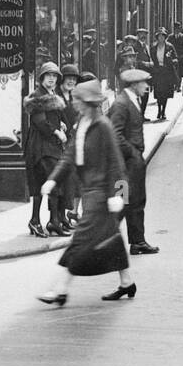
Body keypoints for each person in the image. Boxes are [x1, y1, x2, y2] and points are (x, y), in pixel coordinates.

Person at [37, 79, 134, 306]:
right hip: (89, 189)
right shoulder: (82, 124)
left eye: (77, 100)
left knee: (80, 238)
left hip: (102, 193)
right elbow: (70, 155)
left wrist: (118, 195)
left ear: (88, 103)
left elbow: (116, 162)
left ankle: (61, 289)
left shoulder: (103, 126)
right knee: (111, 236)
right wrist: (52, 180)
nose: (74, 104)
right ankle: (127, 282)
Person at [108, 69, 158, 254]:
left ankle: (137, 242)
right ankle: (102, 240)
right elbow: (115, 134)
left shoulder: (131, 100)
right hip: (124, 164)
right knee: (121, 203)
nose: (147, 86)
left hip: (132, 163)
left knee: (135, 201)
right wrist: (132, 152)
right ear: (134, 84)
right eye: (144, 83)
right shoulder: (122, 104)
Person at [24, 61, 70, 237]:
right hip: (41, 146)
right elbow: (40, 122)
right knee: (51, 182)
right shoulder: (38, 95)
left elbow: (53, 117)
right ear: (41, 77)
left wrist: (62, 124)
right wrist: (57, 132)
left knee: (44, 183)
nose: (51, 79)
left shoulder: (51, 93)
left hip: (48, 146)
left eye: (54, 76)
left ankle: (42, 221)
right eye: (48, 75)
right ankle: (50, 221)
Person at [148, 27, 177, 122]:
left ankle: (163, 111)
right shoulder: (153, 48)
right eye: (159, 36)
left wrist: (171, 61)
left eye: (163, 36)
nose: (161, 38)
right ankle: (159, 109)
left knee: (165, 93)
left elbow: (175, 58)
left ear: (165, 37)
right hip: (157, 72)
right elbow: (151, 59)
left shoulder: (170, 47)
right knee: (158, 92)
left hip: (167, 73)